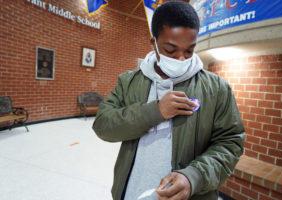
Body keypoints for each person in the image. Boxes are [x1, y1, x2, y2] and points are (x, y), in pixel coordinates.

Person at [93, 1, 245, 200]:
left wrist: (193, 177)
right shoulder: (128, 81)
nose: (181, 59)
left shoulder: (217, 88)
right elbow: (103, 125)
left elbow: (230, 143)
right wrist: (156, 111)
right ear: (153, 43)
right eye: (171, 51)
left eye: (189, 51)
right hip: (131, 192)